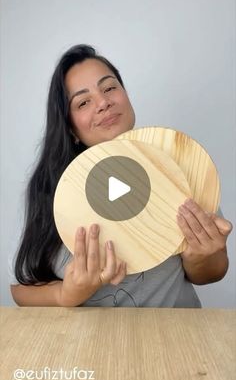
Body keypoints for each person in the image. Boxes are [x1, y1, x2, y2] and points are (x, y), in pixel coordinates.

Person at [10, 44, 232, 307]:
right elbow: (21, 292)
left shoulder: (179, 164)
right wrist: (66, 294)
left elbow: (212, 273)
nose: (103, 103)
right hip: (92, 346)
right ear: (70, 127)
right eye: (83, 102)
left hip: (175, 341)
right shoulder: (54, 190)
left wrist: (202, 257)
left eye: (110, 88)